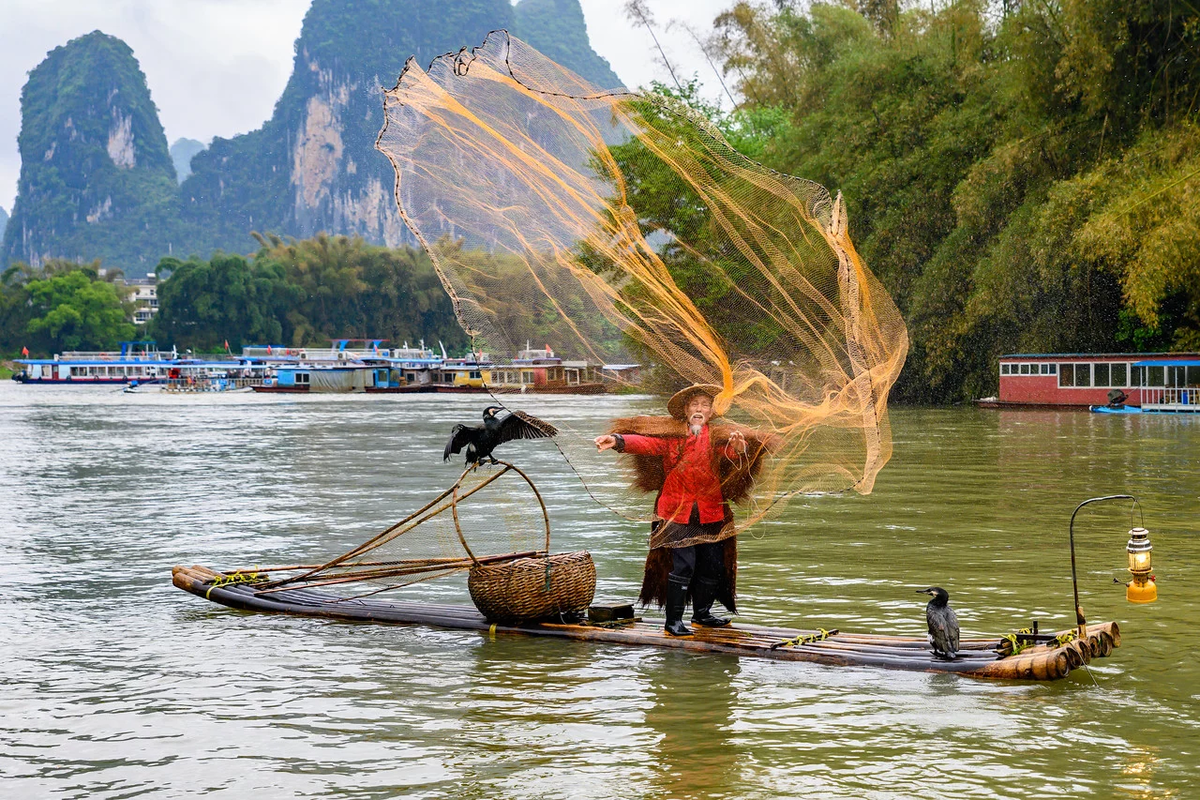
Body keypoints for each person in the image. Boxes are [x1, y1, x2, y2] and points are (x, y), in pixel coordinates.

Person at [594, 384, 770, 636]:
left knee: (712, 565)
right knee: (684, 565)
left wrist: (740, 449)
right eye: (695, 405)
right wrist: (617, 441)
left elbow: (732, 455)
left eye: (705, 405)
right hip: (676, 512)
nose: (699, 409)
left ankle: (702, 615)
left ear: (710, 412)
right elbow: (646, 443)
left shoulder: (718, 437)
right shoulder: (672, 439)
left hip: (711, 511)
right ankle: (673, 621)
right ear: (686, 411)